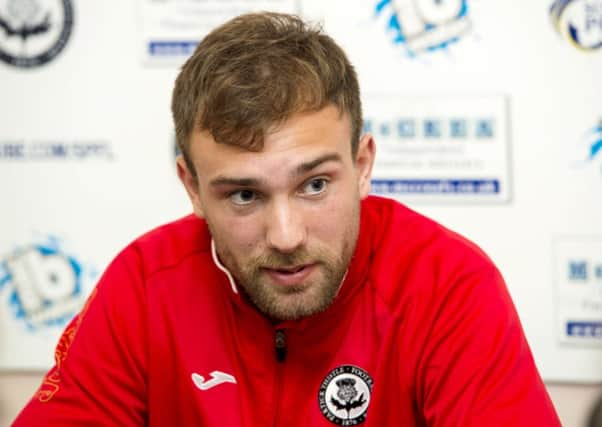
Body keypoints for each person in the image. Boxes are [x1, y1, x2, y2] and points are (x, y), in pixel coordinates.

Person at [14, 12, 560, 426]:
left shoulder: (447, 283)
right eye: (245, 196)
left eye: (315, 185)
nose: (286, 236)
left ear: (363, 164)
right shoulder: (143, 285)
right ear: (193, 188)